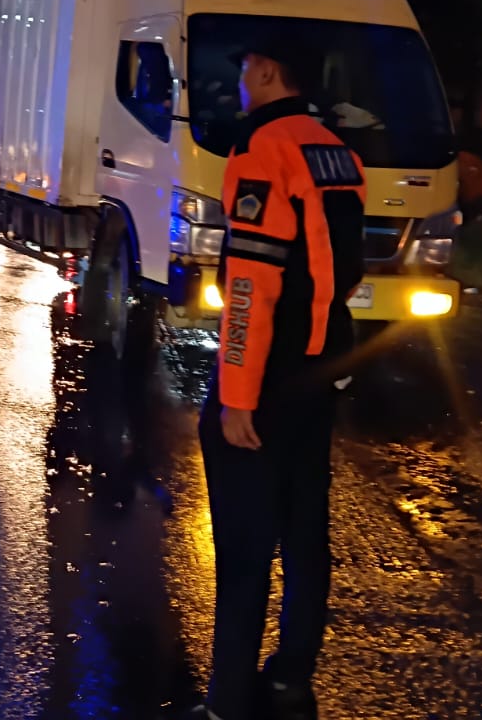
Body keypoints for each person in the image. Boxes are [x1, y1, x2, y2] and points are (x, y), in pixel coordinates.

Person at [193, 35, 366, 720]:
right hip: (320, 367)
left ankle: (226, 702)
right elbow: (341, 267)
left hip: (267, 376)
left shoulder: (262, 147)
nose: (240, 83)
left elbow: (249, 284)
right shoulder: (335, 150)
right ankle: (293, 678)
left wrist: (237, 396)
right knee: (303, 535)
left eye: (244, 71)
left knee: (243, 546)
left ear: (265, 73)